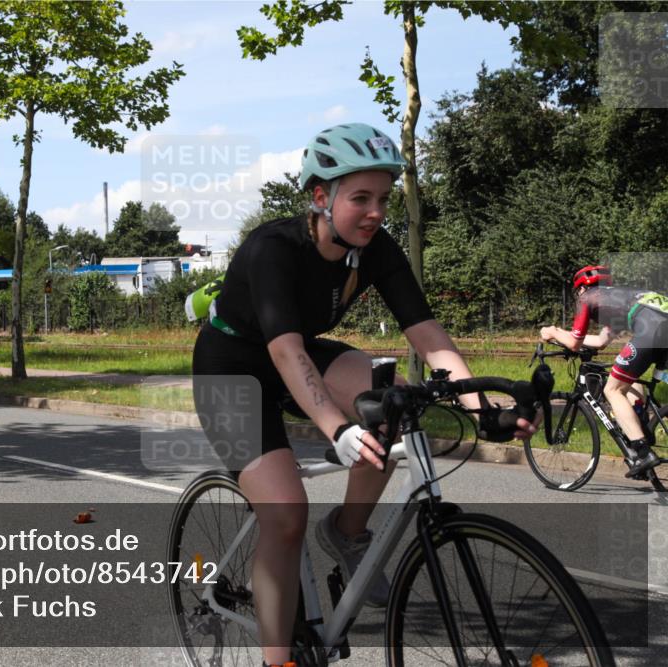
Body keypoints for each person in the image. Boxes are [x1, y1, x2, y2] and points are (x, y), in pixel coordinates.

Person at [191, 122, 536, 667]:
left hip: (302, 351)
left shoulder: (375, 249)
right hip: (234, 367)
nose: (376, 212)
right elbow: (284, 353)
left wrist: (481, 405)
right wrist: (337, 427)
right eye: (360, 198)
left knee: (393, 398)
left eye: (383, 198)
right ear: (321, 197)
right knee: (285, 515)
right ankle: (276, 660)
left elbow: (425, 330)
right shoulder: (273, 248)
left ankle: (348, 534)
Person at [540, 265, 668, 477]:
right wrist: (563, 334)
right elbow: (600, 341)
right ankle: (640, 425)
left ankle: (643, 453)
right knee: (630, 378)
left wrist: (552, 332)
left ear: (581, 288)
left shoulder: (587, 298)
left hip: (651, 330)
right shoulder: (620, 299)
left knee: (613, 390)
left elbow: (574, 343)